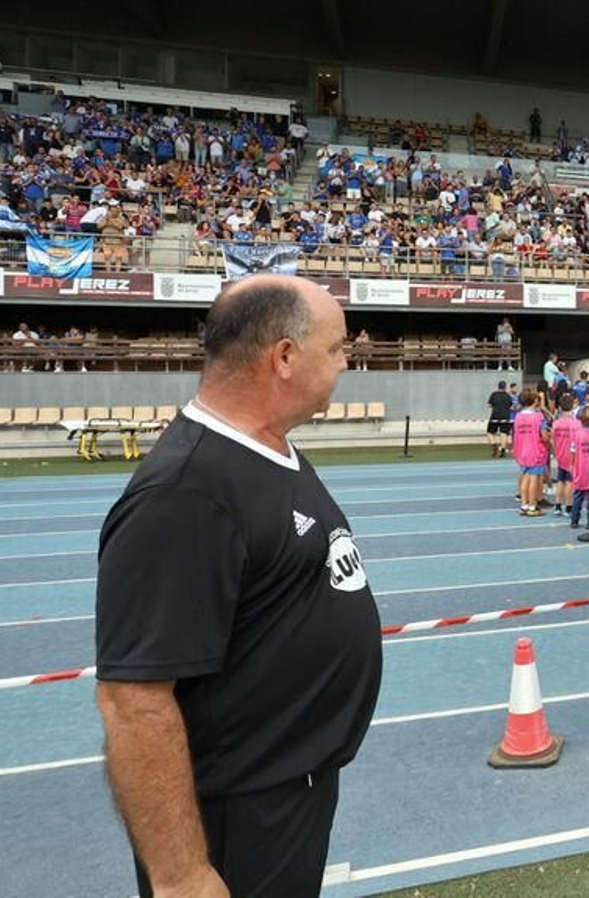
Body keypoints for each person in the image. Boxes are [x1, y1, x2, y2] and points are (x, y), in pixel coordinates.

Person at [95, 275, 382, 898]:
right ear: (283, 356)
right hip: (237, 814)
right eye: (336, 349)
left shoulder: (268, 448)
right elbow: (134, 700)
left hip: (288, 787)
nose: (346, 362)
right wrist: (182, 875)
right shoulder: (186, 492)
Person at [512, 389, 551, 516]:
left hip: (522, 450)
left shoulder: (518, 416)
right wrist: (549, 442)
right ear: (534, 401)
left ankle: (524, 504)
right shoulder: (538, 417)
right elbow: (544, 436)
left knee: (525, 478)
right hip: (535, 450)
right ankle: (532, 506)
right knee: (534, 479)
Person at [551, 393, 580, 518]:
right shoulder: (577, 423)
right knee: (570, 482)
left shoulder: (556, 423)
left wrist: (555, 451)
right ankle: (568, 507)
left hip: (560, 454)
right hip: (572, 455)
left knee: (560, 481)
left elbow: (552, 439)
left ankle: (557, 505)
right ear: (573, 405)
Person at [487, 379, 513, 457]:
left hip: (495, 415)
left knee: (490, 432)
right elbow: (510, 406)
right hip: (505, 416)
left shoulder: (494, 394)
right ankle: (502, 450)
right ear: (505, 387)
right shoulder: (508, 396)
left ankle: (494, 446)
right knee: (503, 433)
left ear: (498, 386)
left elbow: (489, 404)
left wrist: (495, 406)